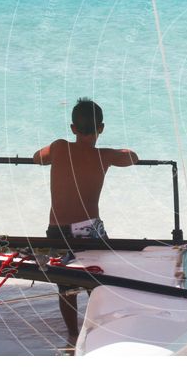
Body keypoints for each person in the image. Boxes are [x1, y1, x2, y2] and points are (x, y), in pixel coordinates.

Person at [33, 98, 138, 345]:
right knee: (100, 277)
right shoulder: (104, 156)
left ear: (73, 128)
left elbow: (36, 157)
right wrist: (116, 153)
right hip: (88, 230)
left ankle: (72, 333)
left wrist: (52, 155)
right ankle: (98, 328)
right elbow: (133, 157)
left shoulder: (59, 147)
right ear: (101, 128)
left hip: (57, 230)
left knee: (65, 283)